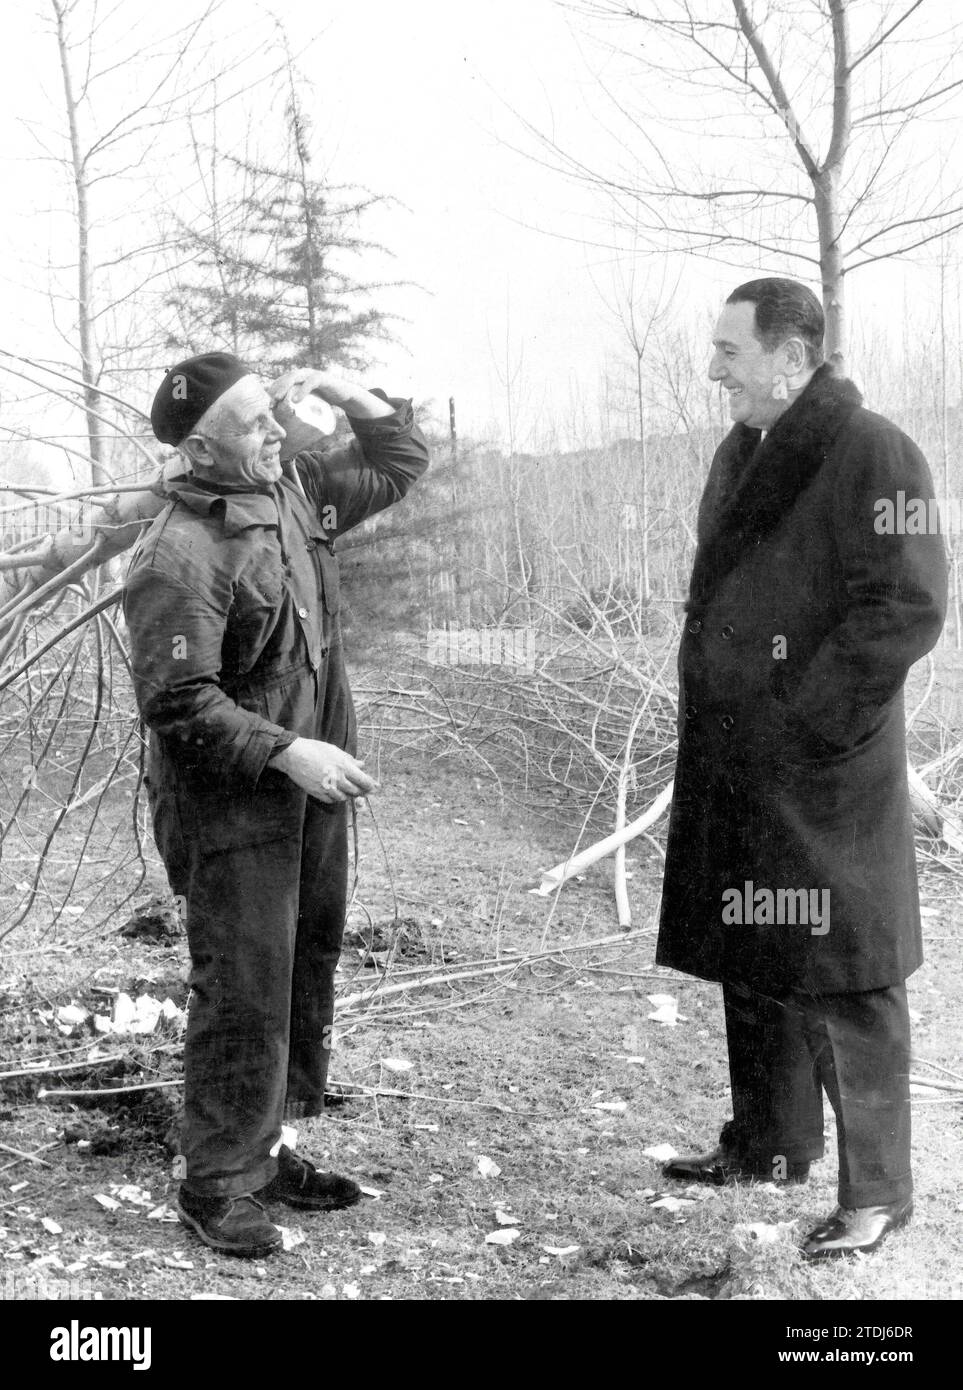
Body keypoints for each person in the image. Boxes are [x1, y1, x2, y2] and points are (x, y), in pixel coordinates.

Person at [655, 278, 947, 1258]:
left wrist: (809, 720)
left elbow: (906, 607)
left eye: (729, 351)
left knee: (844, 973)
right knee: (758, 951)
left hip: (824, 767)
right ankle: (771, 1143)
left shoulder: (881, 452)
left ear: (791, 356)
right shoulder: (747, 450)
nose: (713, 369)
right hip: (741, 762)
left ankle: (879, 1196)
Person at [124, 353, 429, 1256]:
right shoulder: (178, 551)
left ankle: (267, 1149)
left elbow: (398, 461)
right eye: (256, 421)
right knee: (245, 985)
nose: (278, 430)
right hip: (233, 805)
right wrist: (291, 751)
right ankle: (216, 1181)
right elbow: (178, 703)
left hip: (307, 790)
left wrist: (347, 393)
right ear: (201, 444)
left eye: (274, 414)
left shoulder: (289, 492)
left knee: (302, 964)